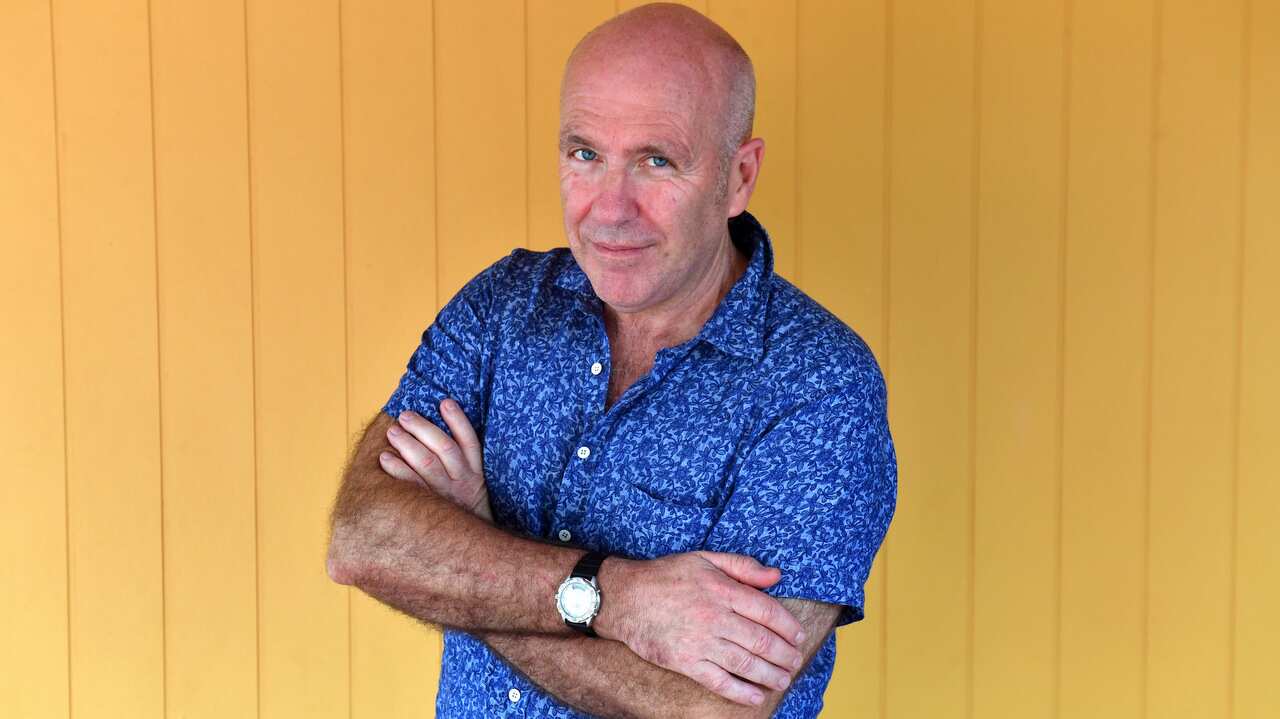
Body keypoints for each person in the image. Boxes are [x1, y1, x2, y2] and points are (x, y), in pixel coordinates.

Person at [325, 3, 897, 717]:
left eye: (657, 161)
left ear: (739, 176)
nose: (610, 209)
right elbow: (363, 537)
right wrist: (615, 598)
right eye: (585, 154)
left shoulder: (818, 386)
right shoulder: (503, 307)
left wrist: (471, 560)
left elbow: (710, 708)